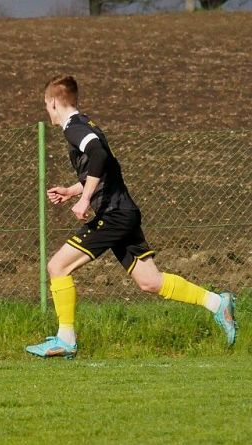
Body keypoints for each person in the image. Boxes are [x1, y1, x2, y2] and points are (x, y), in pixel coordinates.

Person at [26, 75, 237, 358]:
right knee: (150, 281)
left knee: (57, 267)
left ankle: (66, 340)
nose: (47, 111)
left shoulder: (73, 129)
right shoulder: (87, 124)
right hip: (123, 212)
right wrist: (73, 190)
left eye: (46, 105)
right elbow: (107, 167)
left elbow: (99, 156)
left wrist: (85, 199)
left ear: (53, 102)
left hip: (113, 215)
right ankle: (217, 303)